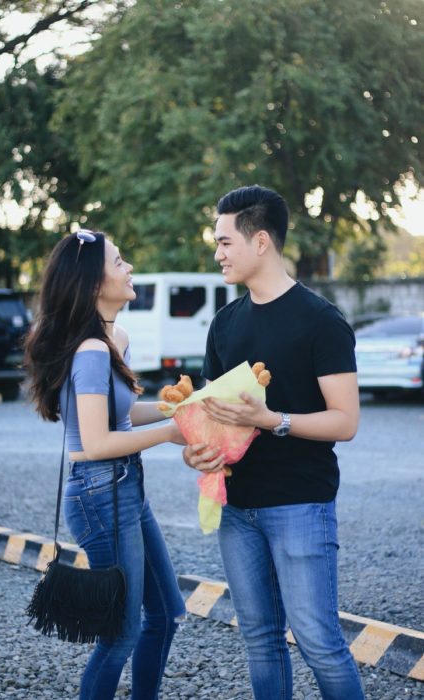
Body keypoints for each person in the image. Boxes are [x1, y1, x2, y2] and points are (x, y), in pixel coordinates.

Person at [183, 185, 365, 700]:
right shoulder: (224, 322)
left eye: (224, 242)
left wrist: (270, 419)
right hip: (237, 509)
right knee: (260, 641)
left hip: (301, 505)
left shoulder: (322, 321)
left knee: (320, 642)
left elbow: (345, 421)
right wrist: (195, 450)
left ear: (260, 241)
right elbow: (206, 416)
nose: (217, 253)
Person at [24, 230, 187, 700]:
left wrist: (180, 407)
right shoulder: (91, 349)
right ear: (95, 284)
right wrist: (171, 434)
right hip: (99, 494)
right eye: (119, 262)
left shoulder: (114, 337)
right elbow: (93, 443)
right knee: (122, 633)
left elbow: (120, 416)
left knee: (166, 613)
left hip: (123, 488)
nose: (129, 267)